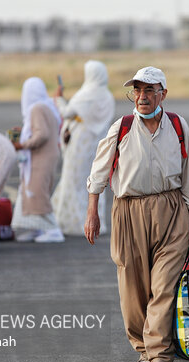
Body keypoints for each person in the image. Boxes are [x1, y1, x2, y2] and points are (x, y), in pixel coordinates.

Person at [84, 66, 189, 362]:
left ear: (162, 94)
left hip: (170, 210)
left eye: (149, 90)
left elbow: (186, 177)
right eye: (137, 91)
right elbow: (98, 172)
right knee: (133, 285)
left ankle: (161, 355)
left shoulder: (178, 126)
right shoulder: (121, 127)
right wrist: (92, 212)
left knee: (164, 285)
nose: (142, 97)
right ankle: (142, 345)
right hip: (128, 211)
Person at [52, 60, 115, 235]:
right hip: (98, 146)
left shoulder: (86, 94)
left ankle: (74, 222)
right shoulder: (107, 96)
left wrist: (58, 98)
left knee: (74, 180)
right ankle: (96, 222)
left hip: (80, 145)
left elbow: (67, 113)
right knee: (95, 183)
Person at [11, 77, 64, 243]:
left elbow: (42, 135)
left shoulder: (37, 108)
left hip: (42, 156)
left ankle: (54, 231)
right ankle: (37, 229)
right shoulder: (47, 105)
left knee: (38, 192)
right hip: (47, 155)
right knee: (34, 192)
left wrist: (23, 145)